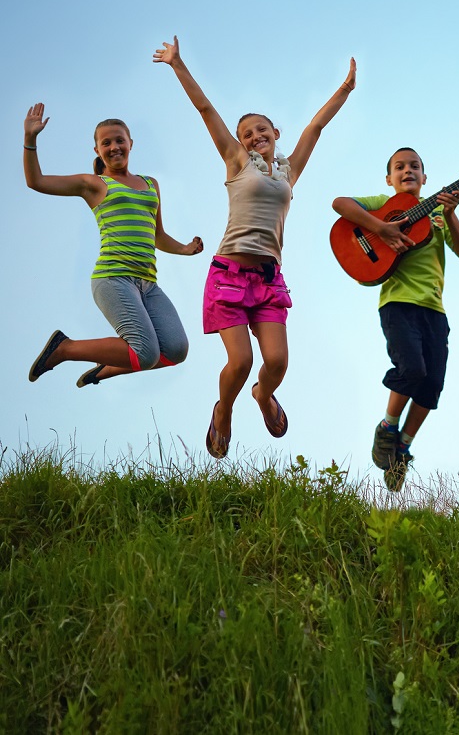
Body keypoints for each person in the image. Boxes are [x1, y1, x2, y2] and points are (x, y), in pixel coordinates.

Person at [155, 36, 355, 459]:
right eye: (246, 133)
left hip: (267, 280)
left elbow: (314, 128)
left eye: (261, 130)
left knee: (277, 362)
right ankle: (223, 409)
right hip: (228, 275)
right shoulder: (237, 162)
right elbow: (206, 110)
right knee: (241, 362)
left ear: (274, 133)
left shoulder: (287, 173)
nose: (254, 136)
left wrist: (344, 90)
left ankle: (263, 396)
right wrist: (178, 64)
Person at [23, 104, 202, 388]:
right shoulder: (93, 184)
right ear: (97, 150)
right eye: (106, 142)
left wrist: (184, 248)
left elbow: (157, 235)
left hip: (148, 284)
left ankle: (105, 369)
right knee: (145, 353)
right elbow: (36, 181)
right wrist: (30, 140)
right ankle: (64, 348)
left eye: (120, 140)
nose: (114, 146)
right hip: (113, 278)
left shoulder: (150, 183)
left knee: (176, 350)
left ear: (131, 143)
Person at [332, 147, 459, 490]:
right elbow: (339, 204)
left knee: (432, 385)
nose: (407, 170)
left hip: (435, 310)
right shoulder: (381, 200)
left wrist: (450, 213)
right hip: (397, 303)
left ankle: (402, 449)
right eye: (399, 166)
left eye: (415, 166)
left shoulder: (438, 212)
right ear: (389, 179)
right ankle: (387, 429)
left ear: (425, 178)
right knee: (412, 368)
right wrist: (381, 228)